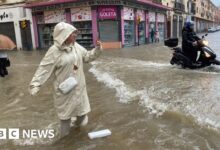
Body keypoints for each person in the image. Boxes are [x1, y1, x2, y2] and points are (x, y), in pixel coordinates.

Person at [29, 22, 102, 138]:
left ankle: (76, 133)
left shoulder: (76, 46)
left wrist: (97, 49)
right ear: (63, 35)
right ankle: (64, 142)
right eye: (72, 33)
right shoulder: (54, 51)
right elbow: (44, 68)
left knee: (82, 114)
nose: (75, 35)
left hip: (79, 88)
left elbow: (87, 57)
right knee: (65, 119)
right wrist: (35, 84)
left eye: (75, 33)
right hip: (64, 92)